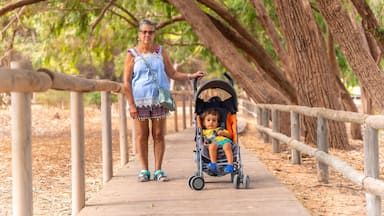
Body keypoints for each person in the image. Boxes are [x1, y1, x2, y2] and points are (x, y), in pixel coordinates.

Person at [123, 19, 205, 182]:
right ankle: (144, 170)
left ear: (154, 34)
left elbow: (172, 73)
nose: (147, 35)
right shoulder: (132, 54)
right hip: (140, 101)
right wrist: (131, 104)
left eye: (151, 32)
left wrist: (190, 76)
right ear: (139, 34)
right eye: (144, 32)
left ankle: (158, 170)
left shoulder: (160, 51)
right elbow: (126, 82)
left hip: (159, 99)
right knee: (142, 135)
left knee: (159, 134)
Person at [201, 108, 234, 174]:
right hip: (213, 142)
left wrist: (223, 133)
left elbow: (230, 136)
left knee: (227, 146)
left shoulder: (220, 129)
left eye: (214, 120)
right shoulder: (204, 132)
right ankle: (214, 164)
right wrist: (204, 142)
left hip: (223, 141)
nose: (211, 122)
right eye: (208, 120)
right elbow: (202, 138)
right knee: (212, 146)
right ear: (204, 123)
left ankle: (230, 165)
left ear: (217, 123)